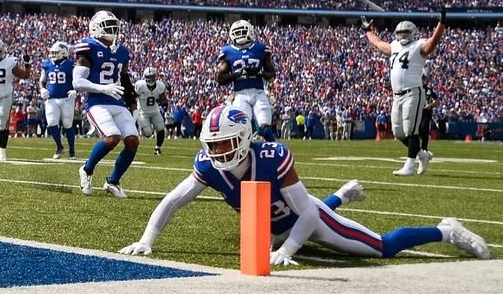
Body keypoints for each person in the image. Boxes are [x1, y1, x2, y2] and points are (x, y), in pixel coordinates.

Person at [118, 105, 491, 264]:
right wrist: (147, 240)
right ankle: (342, 196)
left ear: (246, 138)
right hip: (273, 225)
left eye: (224, 143)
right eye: (212, 145)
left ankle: (446, 230)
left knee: (380, 248)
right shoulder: (209, 165)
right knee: (276, 226)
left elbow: (308, 212)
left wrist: (290, 250)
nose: (217, 152)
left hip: (306, 218)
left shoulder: (273, 156)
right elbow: (173, 200)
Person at [363, 9, 445, 175]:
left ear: (413, 33)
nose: (403, 36)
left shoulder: (418, 45)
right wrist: (367, 31)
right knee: (398, 132)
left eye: (406, 32)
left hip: (413, 91)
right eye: (400, 33)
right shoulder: (394, 46)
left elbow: (433, 42)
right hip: (396, 95)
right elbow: (378, 44)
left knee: (410, 129)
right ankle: (422, 154)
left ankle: (409, 166)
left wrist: (441, 24)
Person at [72, 10, 139, 198]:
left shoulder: (122, 51)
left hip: (118, 103)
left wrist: (133, 104)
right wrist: (103, 88)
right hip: (97, 103)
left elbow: (125, 80)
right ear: (95, 28)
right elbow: (77, 83)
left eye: (114, 25)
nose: (113, 29)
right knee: (112, 137)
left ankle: (113, 181)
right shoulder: (89, 47)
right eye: (107, 26)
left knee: (133, 141)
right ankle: (87, 170)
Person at [215, 19, 278, 141]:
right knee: (242, 130)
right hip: (240, 94)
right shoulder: (227, 52)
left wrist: (259, 73)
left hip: (259, 92)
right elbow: (220, 79)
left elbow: (271, 74)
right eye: (237, 33)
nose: (240, 36)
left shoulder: (261, 48)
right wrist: (237, 74)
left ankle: (274, 154)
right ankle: (245, 157)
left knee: (265, 129)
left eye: (242, 32)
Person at [39, 41, 77, 159]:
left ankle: (72, 150)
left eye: (56, 53)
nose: (53, 55)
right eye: (52, 52)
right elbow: (42, 81)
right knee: (51, 123)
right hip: (51, 99)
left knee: (67, 124)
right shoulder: (47, 64)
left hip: (67, 98)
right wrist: (42, 89)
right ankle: (60, 147)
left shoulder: (71, 64)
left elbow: (77, 80)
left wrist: (76, 90)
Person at [134, 66, 168, 156]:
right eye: (148, 77)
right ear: (145, 77)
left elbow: (163, 99)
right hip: (143, 112)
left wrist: (163, 102)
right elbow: (134, 97)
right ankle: (142, 128)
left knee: (161, 128)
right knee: (148, 134)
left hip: (155, 111)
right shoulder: (140, 86)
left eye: (152, 76)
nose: (150, 79)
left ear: (155, 76)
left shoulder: (160, 86)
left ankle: (158, 148)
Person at [419, 77, 438, 173]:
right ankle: (426, 154)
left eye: (423, 79)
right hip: (416, 114)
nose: (422, 80)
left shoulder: (429, 90)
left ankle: (424, 152)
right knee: (414, 134)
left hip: (426, 114)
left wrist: (430, 105)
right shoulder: (415, 89)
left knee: (423, 130)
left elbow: (437, 101)